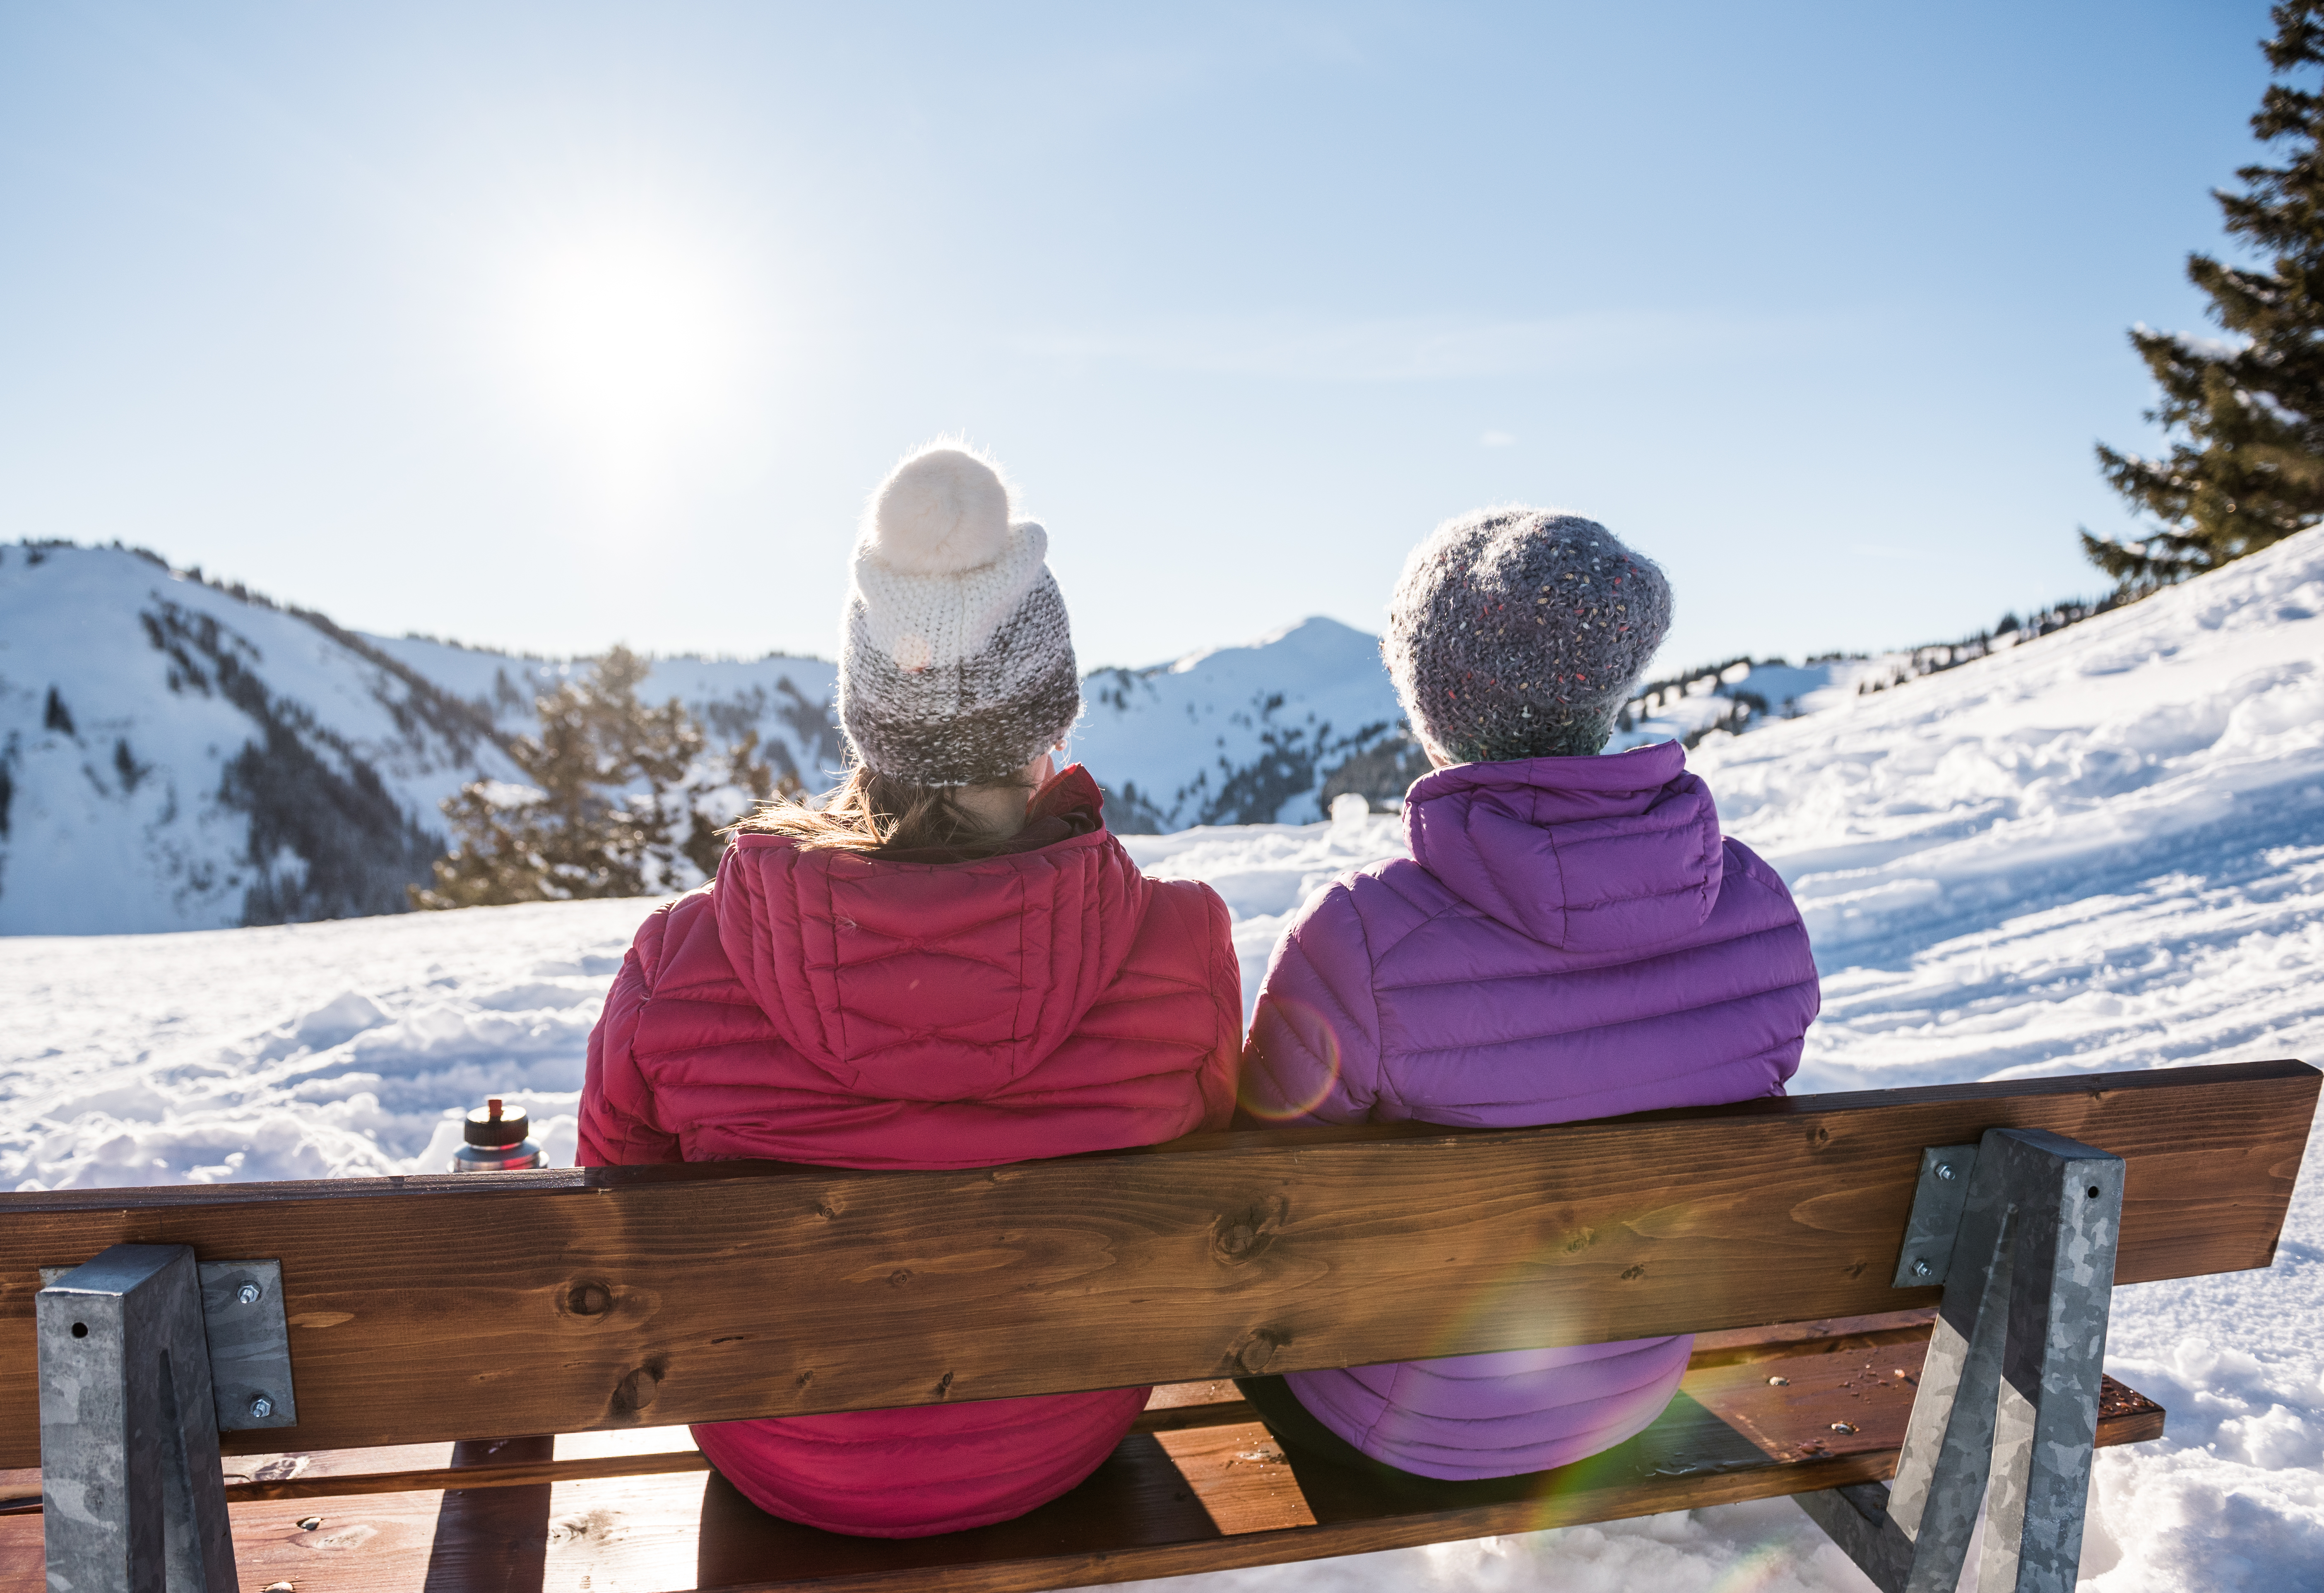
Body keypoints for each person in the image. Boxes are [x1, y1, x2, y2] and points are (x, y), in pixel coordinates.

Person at [577, 441, 1240, 1537]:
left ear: (863, 724)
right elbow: (1211, 1165)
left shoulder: (681, 960)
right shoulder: (1180, 946)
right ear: (1054, 723)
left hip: (780, 1456)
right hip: (1060, 1438)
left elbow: (617, 1207)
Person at [1236, 506, 1819, 1485]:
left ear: (1435, 703)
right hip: (1632, 1386)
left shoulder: (1360, 935)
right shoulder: (1752, 904)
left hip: (1402, 1422)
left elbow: (1260, 1190)